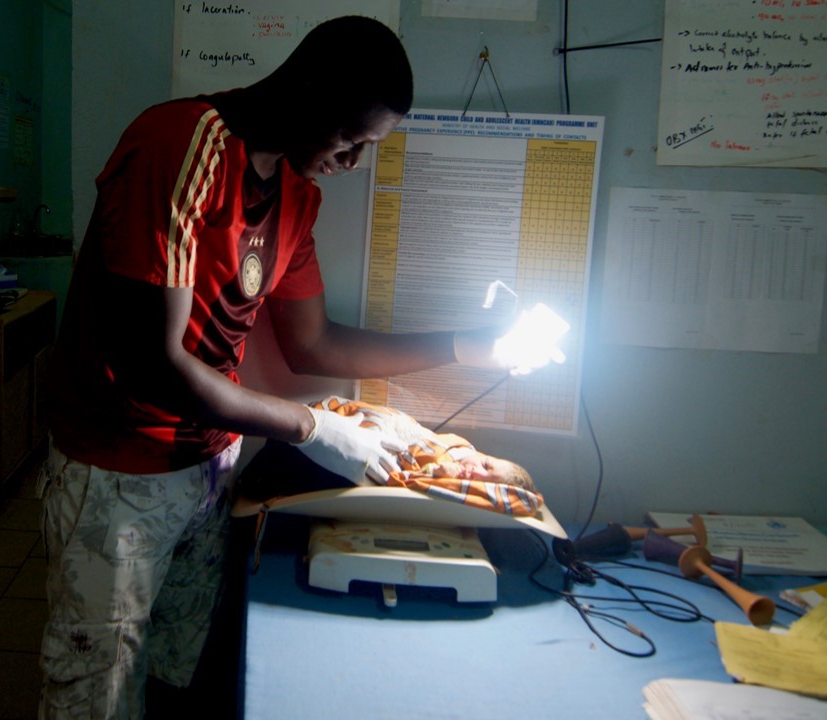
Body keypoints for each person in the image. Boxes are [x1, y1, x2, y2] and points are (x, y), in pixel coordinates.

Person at [37, 16, 560, 719]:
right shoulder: (181, 145)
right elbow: (153, 365)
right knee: (95, 688)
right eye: (351, 140)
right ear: (308, 91)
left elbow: (317, 346)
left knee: (172, 667)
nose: (352, 164)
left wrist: (469, 346)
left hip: (207, 466)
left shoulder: (292, 195)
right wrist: (310, 428)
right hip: (117, 467)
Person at [239, 396, 543, 516]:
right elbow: (408, 431)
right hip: (328, 425)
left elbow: (521, 501)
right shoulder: (453, 446)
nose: (476, 474)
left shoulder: (452, 485)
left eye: (486, 483)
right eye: (486, 465)